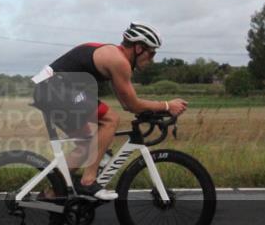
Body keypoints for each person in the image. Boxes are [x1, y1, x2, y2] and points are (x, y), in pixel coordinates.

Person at [32, 22, 188, 200]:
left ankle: (52, 194)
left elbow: (127, 102)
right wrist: (167, 106)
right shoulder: (119, 61)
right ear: (138, 48)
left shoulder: (115, 56)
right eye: (151, 53)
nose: (152, 59)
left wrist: (153, 109)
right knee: (110, 120)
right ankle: (88, 181)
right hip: (54, 88)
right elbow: (132, 105)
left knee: (87, 146)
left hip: (50, 88)